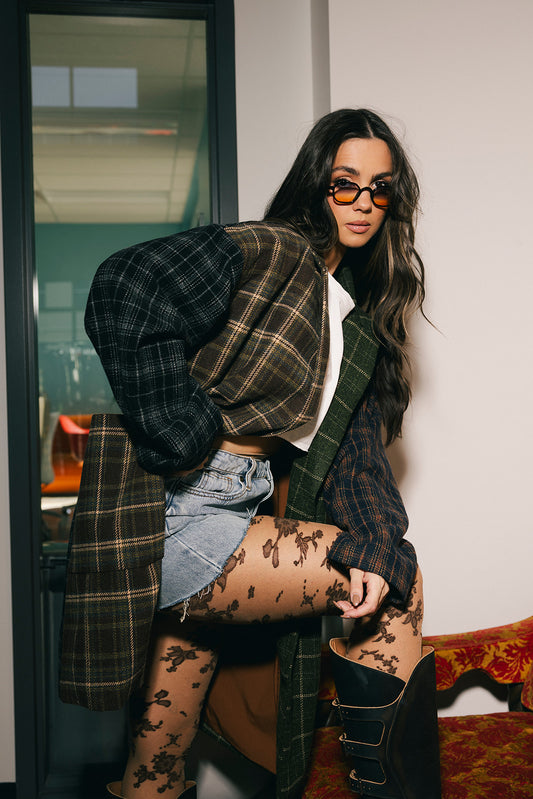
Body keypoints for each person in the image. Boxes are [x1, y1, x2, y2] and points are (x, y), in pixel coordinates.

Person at [59, 109, 441, 799]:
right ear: (314, 185)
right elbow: (126, 285)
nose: (362, 203)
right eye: (344, 183)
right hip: (178, 511)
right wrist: (182, 428)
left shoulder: (352, 319)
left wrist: (379, 540)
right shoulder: (276, 250)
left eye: (379, 189)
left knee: (157, 767)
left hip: (232, 514)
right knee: (400, 591)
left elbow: (356, 461)